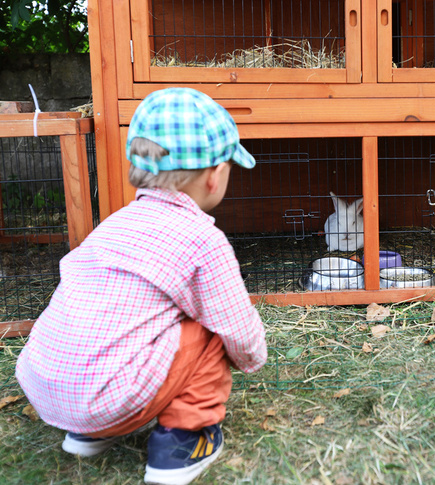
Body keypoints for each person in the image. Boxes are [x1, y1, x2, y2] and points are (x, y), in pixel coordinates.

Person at [15, 87, 268, 485]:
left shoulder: (112, 227)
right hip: (106, 396)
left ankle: (89, 432)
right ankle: (185, 440)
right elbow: (237, 327)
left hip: (44, 382)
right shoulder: (202, 239)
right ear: (216, 176)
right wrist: (253, 358)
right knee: (210, 327)